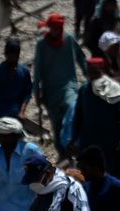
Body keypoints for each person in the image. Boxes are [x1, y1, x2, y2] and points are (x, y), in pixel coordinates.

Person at [31, 14, 86, 150]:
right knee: (56, 123)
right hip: (50, 91)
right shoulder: (42, 44)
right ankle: (62, 153)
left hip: (69, 85)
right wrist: (37, 93)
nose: (55, 31)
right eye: (53, 28)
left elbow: (81, 58)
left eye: (57, 28)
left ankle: (75, 145)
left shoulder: (69, 39)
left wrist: (90, 77)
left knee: (72, 107)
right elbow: (37, 70)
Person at [71, 59, 120, 179]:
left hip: (110, 140)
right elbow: (78, 116)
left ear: (102, 70)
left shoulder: (114, 88)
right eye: (89, 71)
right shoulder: (84, 90)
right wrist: (73, 139)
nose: (91, 74)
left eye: (94, 71)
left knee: (112, 172)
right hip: (89, 140)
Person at [0, 117, 47, 211]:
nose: (4, 141)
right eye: (1, 137)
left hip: (28, 210)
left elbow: (44, 177)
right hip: (1, 210)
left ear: (16, 136)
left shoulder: (31, 150)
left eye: (8, 137)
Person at [0, 40, 34, 133]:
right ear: (5, 54)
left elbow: (27, 93)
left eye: (15, 56)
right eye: (10, 56)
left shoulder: (24, 72)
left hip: (14, 117)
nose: (13, 59)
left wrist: (22, 111)